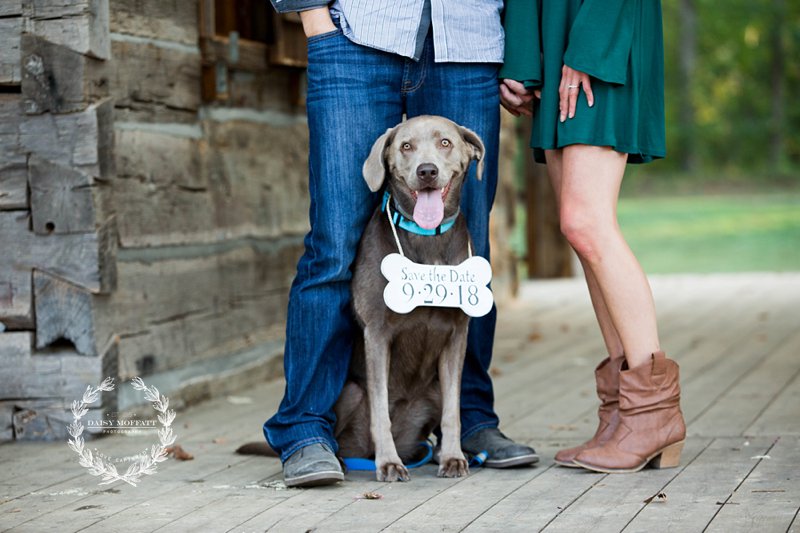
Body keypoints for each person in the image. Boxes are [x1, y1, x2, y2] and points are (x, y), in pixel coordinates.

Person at [264, 0, 539, 487]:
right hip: (355, 37)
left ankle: (471, 421)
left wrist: (521, 54)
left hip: (469, 40)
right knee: (333, 244)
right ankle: (306, 428)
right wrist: (314, 19)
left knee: (469, 256)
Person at [499, 0, 686, 473]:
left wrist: (588, 47)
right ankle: (624, 413)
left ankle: (654, 414)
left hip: (597, 26)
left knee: (587, 223)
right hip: (555, 33)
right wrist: (523, 62)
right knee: (579, 230)